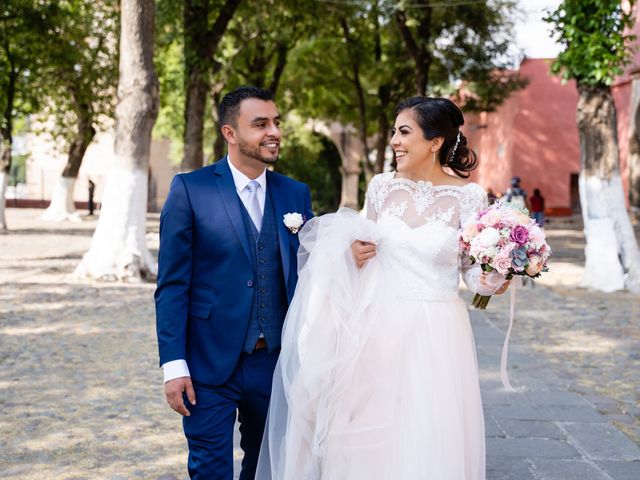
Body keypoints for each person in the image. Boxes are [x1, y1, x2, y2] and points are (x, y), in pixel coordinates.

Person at [256, 97, 509, 479]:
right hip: (375, 329)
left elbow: (472, 274)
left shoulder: (469, 196)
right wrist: (353, 253)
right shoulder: (381, 187)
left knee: (426, 436)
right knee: (362, 432)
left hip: (436, 333)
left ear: (435, 142)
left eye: (404, 132)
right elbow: (360, 246)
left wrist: (494, 277)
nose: (394, 140)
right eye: (394, 132)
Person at [155, 86, 313, 480]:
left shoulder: (295, 193)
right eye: (260, 124)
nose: (273, 131)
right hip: (207, 364)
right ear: (230, 133)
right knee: (210, 469)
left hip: (274, 363)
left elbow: (311, 272)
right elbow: (172, 285)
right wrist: (173, 366)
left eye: (276, 122)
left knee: (267, 467)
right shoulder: (191, 189)